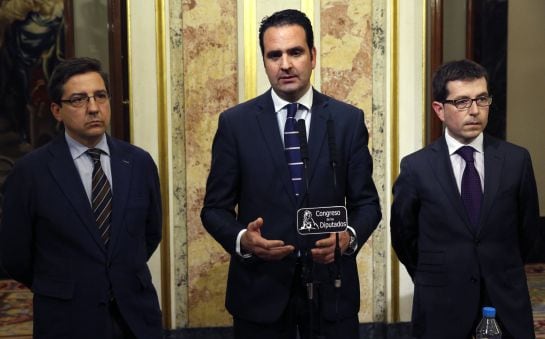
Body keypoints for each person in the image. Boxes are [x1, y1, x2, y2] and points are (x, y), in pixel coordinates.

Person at [201, 9, 381, 339]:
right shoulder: (235, 124)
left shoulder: (346, 121)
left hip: (331, 292)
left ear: (312, 56)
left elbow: (368, 204)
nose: (285, 64)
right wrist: (244, 240)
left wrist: (349, 236)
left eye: (295, 52)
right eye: (274, 55)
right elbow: (214, 210)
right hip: (260, 290)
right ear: (265, 61)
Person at [0, 57, 163, 338]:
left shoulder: (139, 163)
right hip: (67, 319)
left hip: (135, 318)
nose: (93, 108)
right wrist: (61, 283)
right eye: (78, 100)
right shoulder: (30, 172)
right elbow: (15, 256)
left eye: (100, 96)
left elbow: (150, 233)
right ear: (56, 110)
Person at [390, 59, 540, 339]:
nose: (474, 111)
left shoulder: (516, 160)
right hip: (441, 300)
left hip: (504, 297)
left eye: (481, 99)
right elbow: (403, 235)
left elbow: (528, 231)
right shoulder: (417, 168)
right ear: (440, 109)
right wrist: (433, 272)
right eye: (461, 102)